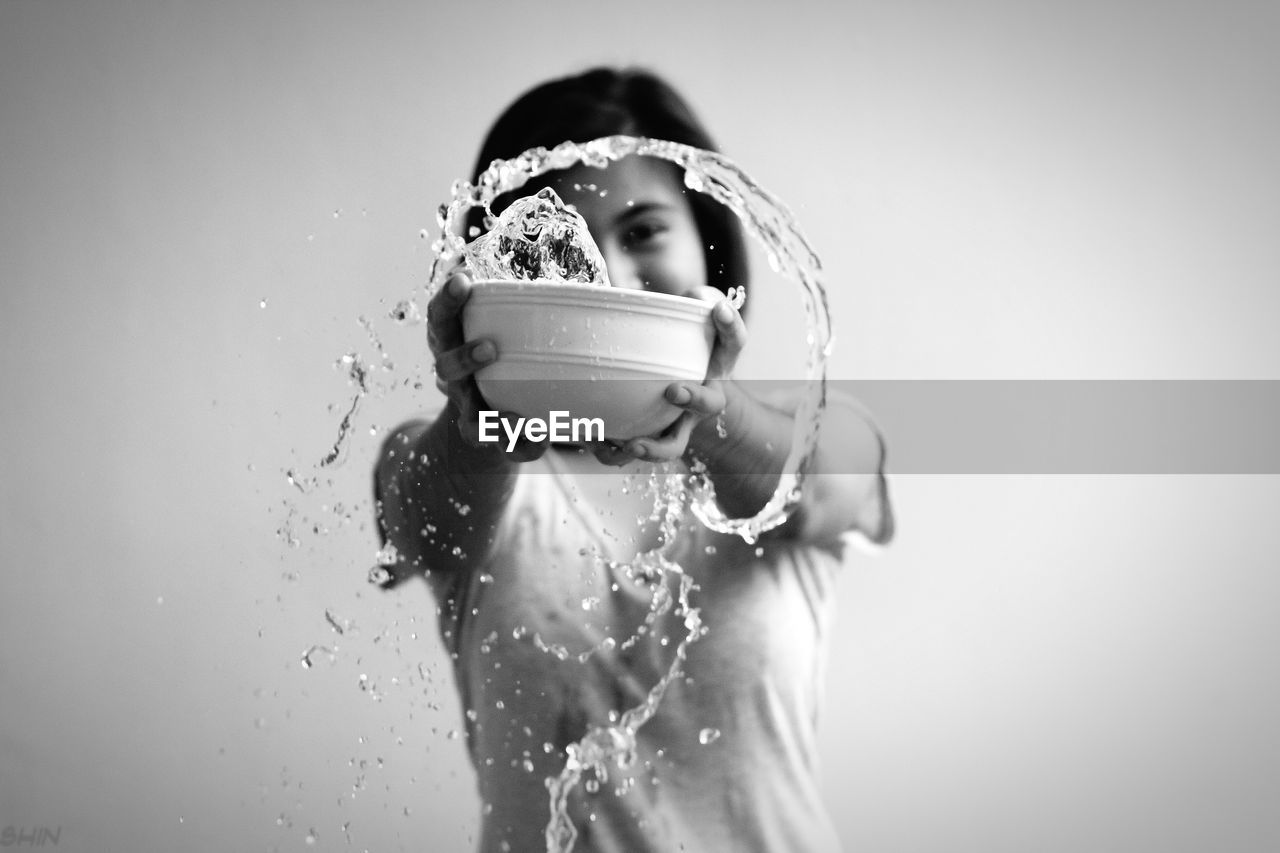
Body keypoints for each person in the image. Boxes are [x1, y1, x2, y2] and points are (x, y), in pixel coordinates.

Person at [374, 67, 893, 853]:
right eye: (561, 243)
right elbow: (414, 519)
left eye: (644, 230)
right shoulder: (463, 463)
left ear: (709, 247)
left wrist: (708, 419)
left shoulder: (821, 433)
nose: (612, 279)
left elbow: (819, 483)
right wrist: (477, 422)